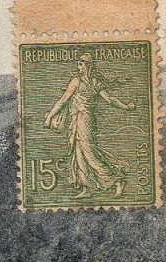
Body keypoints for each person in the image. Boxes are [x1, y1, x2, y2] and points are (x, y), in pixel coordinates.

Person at [43, 52, 135, 198]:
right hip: (81, 119)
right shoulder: (94, 82)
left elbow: (63, 100)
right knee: (79, 152)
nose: (78, 67)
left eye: (81, 64)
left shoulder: (78, 81)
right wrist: (126, 107)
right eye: (78, 64)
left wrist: (49, 116)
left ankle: (116, 180)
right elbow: (110, 99)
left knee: (88, 153)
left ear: (88, 66)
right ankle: (87, 187)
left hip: (83, 119)